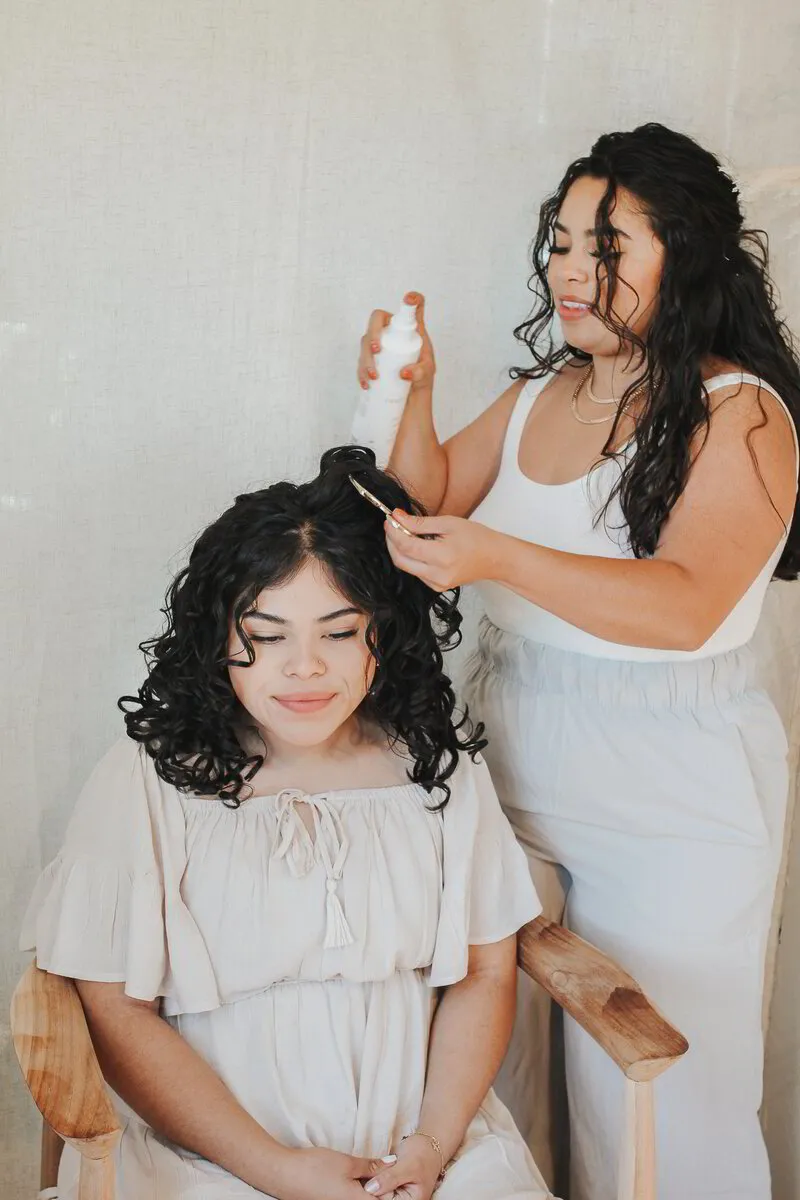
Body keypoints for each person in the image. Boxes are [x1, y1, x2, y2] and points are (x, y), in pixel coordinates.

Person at [356, 123, 800, 1200]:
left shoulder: (741, 416)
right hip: (505, 750)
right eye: (559, 241)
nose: (568, 268)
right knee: (472, 1077)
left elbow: (685, 606)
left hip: (669, 785)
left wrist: (498, 556)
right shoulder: (545, 390)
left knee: (657, 1096)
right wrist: (404, 399)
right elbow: (433, 500)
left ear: (683, 254)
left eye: (605, 245)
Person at [21, 447, 554, 1200]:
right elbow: (113, 1006)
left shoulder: (435, 767)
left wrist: (430, 1150)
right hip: (208, 1161)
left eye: (339, 633)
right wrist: (271, 1169)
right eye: (266, 637)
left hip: (422, 1157)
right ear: (218, 639)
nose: (304, 668)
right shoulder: (153, 775)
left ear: (384, 634)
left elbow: (487, 972)